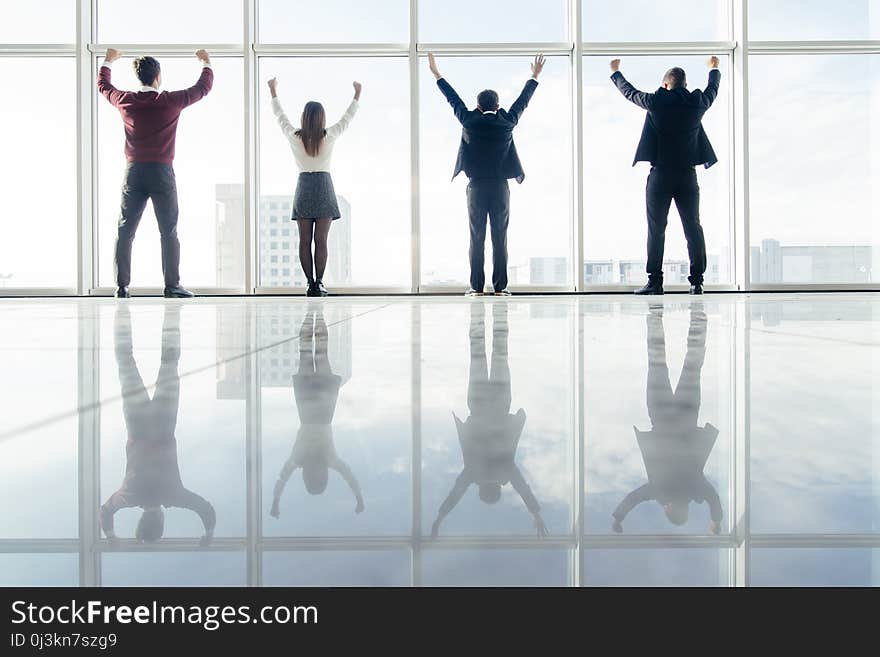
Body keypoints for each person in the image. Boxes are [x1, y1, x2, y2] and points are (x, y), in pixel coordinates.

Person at [98, 48, 214, 299]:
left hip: (135, 172)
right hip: (161, 172)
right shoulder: (169, 101)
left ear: (139, 77)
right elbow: (203, 88)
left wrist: (108, 60)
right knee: (168, 230)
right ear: (158, 76)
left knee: (125, 229)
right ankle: (172, 286)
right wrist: (205, 61)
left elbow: (103, 85)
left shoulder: (126, 100)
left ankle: (121, 287)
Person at [428, 53, 546, 297]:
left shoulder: (470, 120)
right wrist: (534, 76)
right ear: (498, 106)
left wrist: (437, 74)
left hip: (476, 188)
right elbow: (523, 102)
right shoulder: (507, 121)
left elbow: (453, 100)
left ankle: (477, 287)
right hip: (501, 188)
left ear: (479, 106)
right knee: (500, 237)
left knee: (476, 237)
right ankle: (500, 288)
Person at [101, 304, 216, 545]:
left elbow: (205, 509)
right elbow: (105, 512)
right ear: (141, 521)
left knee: (169, 362)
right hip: (137, 424)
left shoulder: (174, 495)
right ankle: (122, 308)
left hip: (164, 423)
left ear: (161, 521)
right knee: (125, 362)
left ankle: (171, 311)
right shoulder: (127, 497)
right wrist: (111, 536)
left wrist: (208, 534)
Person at [431, 302, 547, 538]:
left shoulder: (504, 472)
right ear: (483, 488)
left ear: (496, 488)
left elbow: (522, 488)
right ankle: (478, 313)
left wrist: (535, 513)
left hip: (501, 402)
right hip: (477, 402)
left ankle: (497, 311)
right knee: (477, 354)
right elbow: (457, 493)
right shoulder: (474, 473)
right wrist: (439, 518)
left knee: (500, 353)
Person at [609, 57, 721, 296]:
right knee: (693, 226)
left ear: (666, 85)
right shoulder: (696, 102)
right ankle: (697, 282)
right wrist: (714, 69)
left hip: (661, 175)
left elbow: (630, 93)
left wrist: (616, 72)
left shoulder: (656, 101)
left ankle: (655, 282)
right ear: (685, 84)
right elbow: (713, 91)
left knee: (656, 228)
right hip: (687, 176)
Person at [612, 303, 722, 535]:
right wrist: (617, 518)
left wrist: (716, 520)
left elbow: (713, 498)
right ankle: (655, 316)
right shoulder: (659, 491)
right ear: (669, 509)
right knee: (656, 360)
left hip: (686, 413)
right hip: (660, 413)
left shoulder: (695, 489)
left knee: (693, 364)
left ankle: (698, 317)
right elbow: (634, 498)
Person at [268, 77, 361, 297]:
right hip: (324, 187)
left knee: (304, 240)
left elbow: (280, 117)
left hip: (304, 186)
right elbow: (347, 119)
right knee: (321, 240)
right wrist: (357, 95)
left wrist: (273, 92)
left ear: (304, 118)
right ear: (321, 119)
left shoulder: (294, 137)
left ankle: (310, 283)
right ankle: (319, 282)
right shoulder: (328, 136)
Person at [270, 307, 364, 517]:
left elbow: (282, 479)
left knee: (311, 353)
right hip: (319, 409)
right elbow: (348, 476)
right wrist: (358, 497)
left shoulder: (303, 459)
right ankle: (316, 313)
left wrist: (276, 501)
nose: (316, 473)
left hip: (314, 410)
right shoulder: (327, 459)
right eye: (319, 477)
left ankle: (314, 313)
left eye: (314, 477)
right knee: (318, 353)